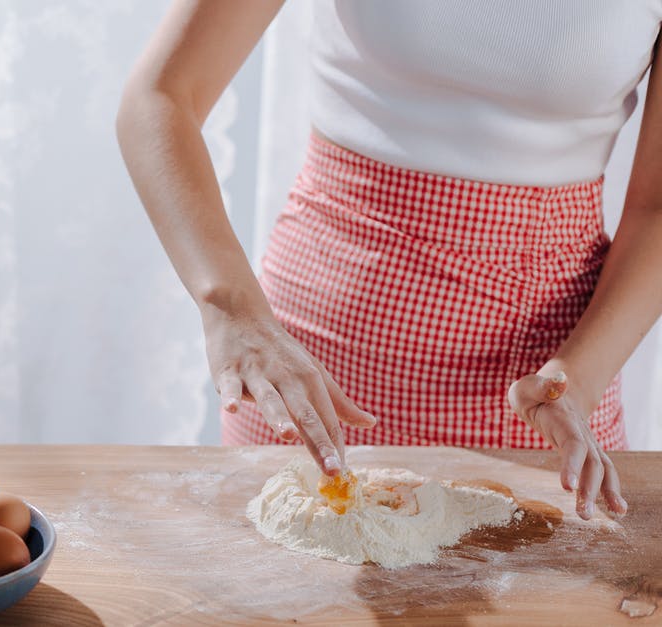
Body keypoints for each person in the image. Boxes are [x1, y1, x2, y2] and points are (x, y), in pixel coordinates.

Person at [117, 0, 662, 520]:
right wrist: (230, 308)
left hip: (546, 386)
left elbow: (656, 207)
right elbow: (162, 95)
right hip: (311, 371)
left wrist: (578, 382)